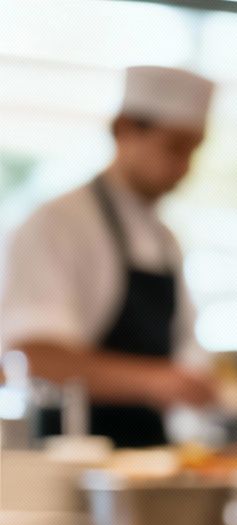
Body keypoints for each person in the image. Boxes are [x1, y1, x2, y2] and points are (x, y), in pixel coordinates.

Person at [0, 65, 220, 448]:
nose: (184, 167)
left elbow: (185, 348)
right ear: (124, 130)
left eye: (193, 151)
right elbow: (34, 356)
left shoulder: (165, 238)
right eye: (174, 147)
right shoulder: (58, 222)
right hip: (67, 453)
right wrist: (158, 381)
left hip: (149, 454)